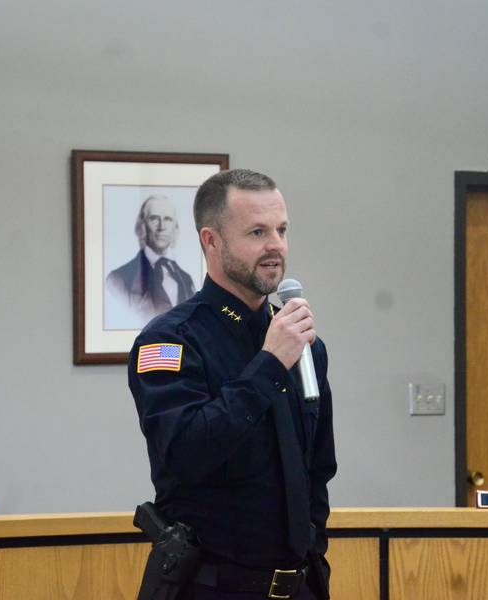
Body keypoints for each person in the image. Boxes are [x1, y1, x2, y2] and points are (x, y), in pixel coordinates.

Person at [129, 169, 336, 599]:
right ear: (211, 241)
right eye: (257, 232)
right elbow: (185, 453)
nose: (275, 245)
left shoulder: (304, 344)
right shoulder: (170, 340)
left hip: (300, 586)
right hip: (214, 587)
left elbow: (318, 468)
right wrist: (268, 363)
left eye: (281, 230)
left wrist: (315, 555)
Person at [106, 194, 196, 322]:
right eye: (154, 218)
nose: (161, 227)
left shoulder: (187, 280)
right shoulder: (118, 279)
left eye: (168, 219)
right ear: (143, 226)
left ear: (175, 227)